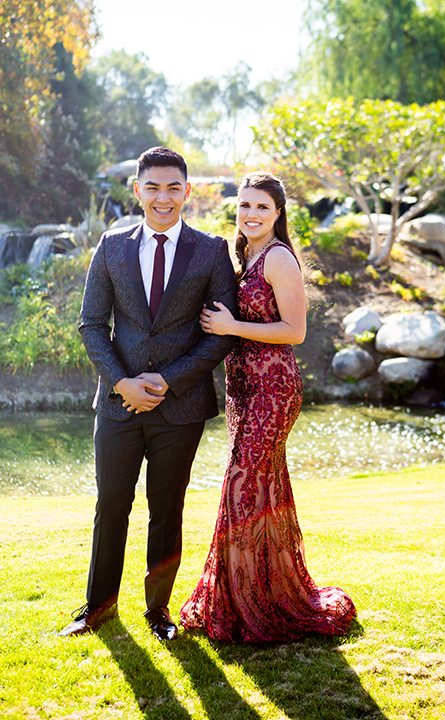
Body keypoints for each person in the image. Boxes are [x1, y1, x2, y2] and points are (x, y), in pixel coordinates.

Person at [59, 146, 238, 641]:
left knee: (167, 508)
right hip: (117, 402)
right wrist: (122, 383)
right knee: (111, 503)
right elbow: (92, 325)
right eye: (153, 187)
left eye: (173, 187)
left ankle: (158, 613)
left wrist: (170, 380)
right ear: (137, 190)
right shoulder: (111, 246)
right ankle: (98, 607)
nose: (164, 197)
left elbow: (222, 333)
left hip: (180, 406)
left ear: (187, 191)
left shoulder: (211, 250)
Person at [180, 171, 356, 643]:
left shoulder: (277, 258)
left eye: (261, 207)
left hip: (274, 389)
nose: (251, 214)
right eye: (244, 206)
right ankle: (264, 591)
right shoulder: (245, 255)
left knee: (243, 482)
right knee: (263, 488)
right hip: (244, 388)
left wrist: (233, 325)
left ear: (278, 213)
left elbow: (294, 331)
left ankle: (248, 601)